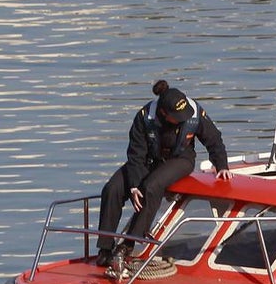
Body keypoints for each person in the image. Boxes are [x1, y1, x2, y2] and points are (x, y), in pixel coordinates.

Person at [95, 80, 232, 267]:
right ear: (164, 113)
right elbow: (136, 154)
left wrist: (222, 165)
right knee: (112, 188)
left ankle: (128, 244)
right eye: (178, 117)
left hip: (181, 160)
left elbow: (214, 139)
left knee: (152, 186)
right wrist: (133, 185)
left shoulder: (194, 113)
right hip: (148, 160)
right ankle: (105, 248)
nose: (183, 119)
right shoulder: (144, 117)